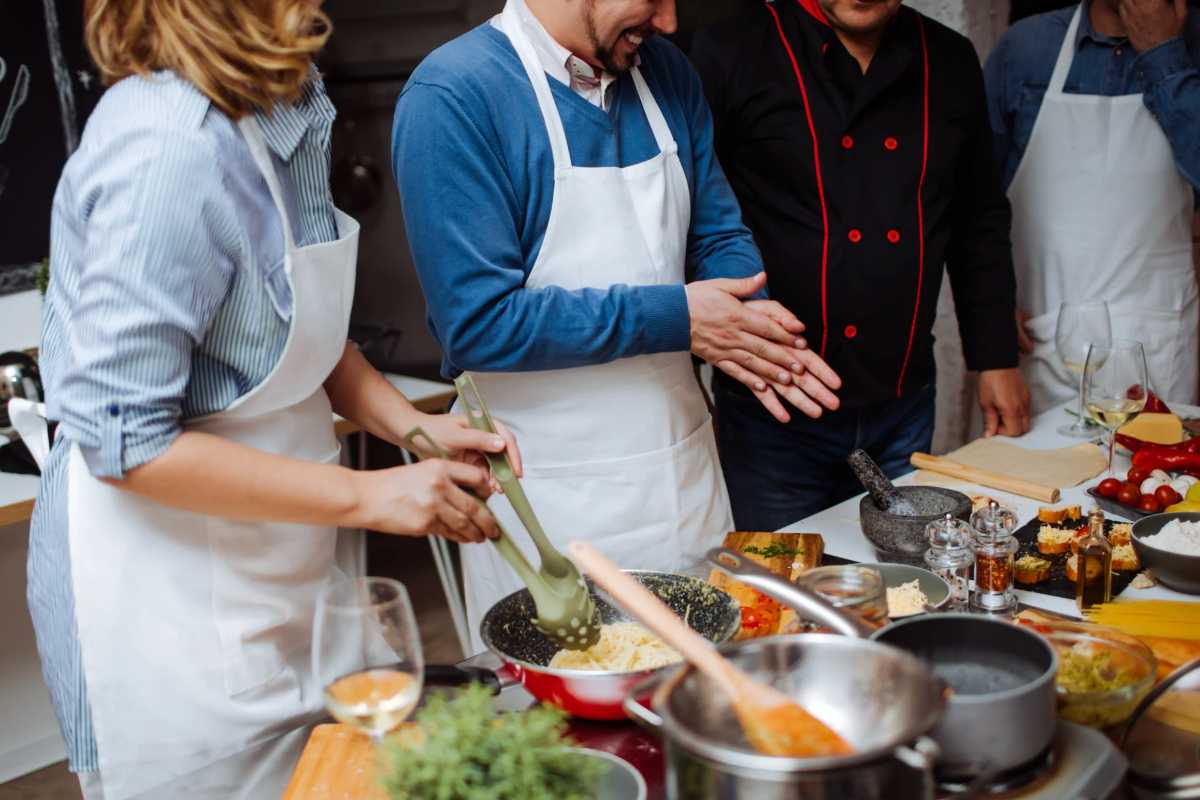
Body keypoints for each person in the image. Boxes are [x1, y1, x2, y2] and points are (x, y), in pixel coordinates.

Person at [19, 1, 521, 797]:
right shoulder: (163, 147)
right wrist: (370, 495)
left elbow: (302, 338)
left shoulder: (278, 103)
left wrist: (413, 432)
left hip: (275, 577)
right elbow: (124, 441)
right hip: (169, 610)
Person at [391, 0, 843, 650]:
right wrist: (681, 317)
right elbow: (479, 323)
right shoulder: (455, 97)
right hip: (550, 508)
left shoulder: (668, 74)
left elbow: (719, 233)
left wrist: (747, 318)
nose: (667, 20)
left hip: (683, 487)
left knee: (707, 702)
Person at [690, 0, 1031, 530]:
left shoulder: (948, 58)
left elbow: (977, 217)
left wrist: (996, 359)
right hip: (774, 412)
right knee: (781, 595)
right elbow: (690, 219)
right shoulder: (731, 50)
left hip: (903, 405)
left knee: (904, 587)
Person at [987, 0, 1200, 412]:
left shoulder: (1192, 45)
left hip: (1160, 351)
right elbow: (972, 202)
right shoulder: (1026, 49)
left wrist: (1165, 55)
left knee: (1155, 478)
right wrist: (991, 313)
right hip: (1042, 346)